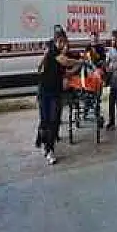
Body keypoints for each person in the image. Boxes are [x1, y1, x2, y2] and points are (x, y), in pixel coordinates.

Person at [36, 29, 80, 165]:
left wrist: (78, 66)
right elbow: (65, 62)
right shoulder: (52, 50)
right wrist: (80, 61)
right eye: (62, 42)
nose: (64, 45)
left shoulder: (59, 54)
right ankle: (44, 144)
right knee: (45, 121)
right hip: (44, 92)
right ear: (57, 41)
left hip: (55, 92)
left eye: (65, 42)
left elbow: (66, 72)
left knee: (54, 122)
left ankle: (49, 149)